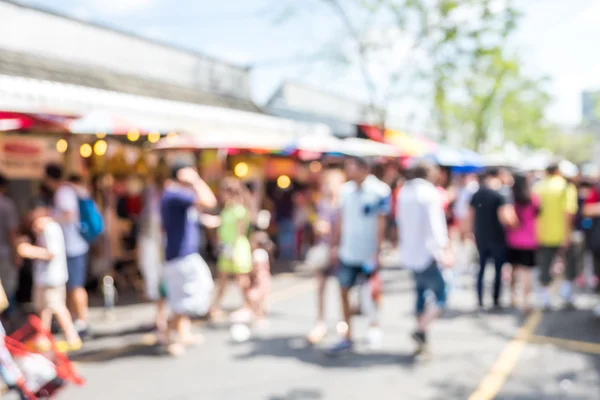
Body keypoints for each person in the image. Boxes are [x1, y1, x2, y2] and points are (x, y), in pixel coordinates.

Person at [327, 157, 390, 355]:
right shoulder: (345, 191)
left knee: (371, 292)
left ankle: (374, 326)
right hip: (348, 250)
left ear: (363, 168)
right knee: (344, 290)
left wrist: (378, 251)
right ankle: (347, 334)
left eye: (351, 167)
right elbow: (341, 220)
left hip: (368, 252)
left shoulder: (380, 191)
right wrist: (335, 244)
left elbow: (381, 222)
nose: (348, 171)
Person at [160, 162, 217, 356]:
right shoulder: (175, 193)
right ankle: (169, 338)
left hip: (182, 254)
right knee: (185, 297)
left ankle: (182, 334)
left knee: (185, 295)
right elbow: (210, 201)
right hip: (180, 256)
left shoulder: (176, 196)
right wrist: (196, 180)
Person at [397, 161, 453, 355]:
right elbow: (436, 226)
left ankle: (422, 336)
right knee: (442, 294)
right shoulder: (429, 193)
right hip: (428, 253)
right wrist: (444, 250)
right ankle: (421, 329)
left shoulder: (405, 191)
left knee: (420, 294)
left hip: (411, 252)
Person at [17, 206, 81, 351]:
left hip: (52, 277)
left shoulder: (50, 229)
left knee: (56, 306)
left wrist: (30, 251)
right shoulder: (45, 230)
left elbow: (51, 253)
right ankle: (43, 338)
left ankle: (71, 336)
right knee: (45, 308)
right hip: (47, 277)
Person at [44, 165, 90, 338]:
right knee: (71, 285)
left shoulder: (63, 192)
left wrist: (49, 217)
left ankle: (82, 322)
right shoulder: (66, 190)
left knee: (76, 286)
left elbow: (69, 215)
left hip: (73, 245)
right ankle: (74, 320)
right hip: (71, 245)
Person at [469, 168, 517, 310]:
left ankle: (480, 299)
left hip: (480, 236)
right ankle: (495, 300)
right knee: (497, 269)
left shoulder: (477, 194)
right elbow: (506, 218)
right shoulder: (500, 195)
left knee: (481, 269)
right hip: (497, 237)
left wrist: (470, 233)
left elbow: (469, 215)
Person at [534, 162, 579, 310]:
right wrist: (567, 235)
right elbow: (568, 213)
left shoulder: (538, 187)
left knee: (545, 265)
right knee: (569, 265)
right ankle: (566, 295)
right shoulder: (566, 187)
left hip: (542, 233)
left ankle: (545, 298)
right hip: (562, 234)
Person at [210, 178, 253, 321]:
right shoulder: (226, 210)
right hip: (226, 248)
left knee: (241, 279)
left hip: (237, 248)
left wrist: (233, 250)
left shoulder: (239, 210)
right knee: (222, 279)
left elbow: (239, 232)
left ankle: (248, 306)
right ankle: (215, 306)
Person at [306, 181, 340, 344]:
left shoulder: (342, 205)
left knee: (343, 287)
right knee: (320, 286)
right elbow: (317, 225)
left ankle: (342, 320)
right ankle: (321, 322)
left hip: (339, 251)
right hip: (324, 249)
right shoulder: (321, 204)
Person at [505, 173, 539, 314]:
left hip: (513, 239)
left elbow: (509, 219)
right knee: (527, 273)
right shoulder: (533, 199)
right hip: (529, 240)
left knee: (513, 269)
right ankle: (526, 302)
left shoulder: (511, 198)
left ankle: (513, 296)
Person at [0, 174, 19, 323]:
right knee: (8, 288)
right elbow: (12, 232)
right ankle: (9, 324)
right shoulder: (6, 204)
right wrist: (16, 253)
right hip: (5, 253)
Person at [248, 231, 273, 324]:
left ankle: (258, 315)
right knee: (263, 298)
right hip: (265, 278)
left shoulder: (257, 253)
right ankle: (261, 316)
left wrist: (251, 274)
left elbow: (257, 267)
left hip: (260, 279)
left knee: (254, 296)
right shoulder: (264, 253)